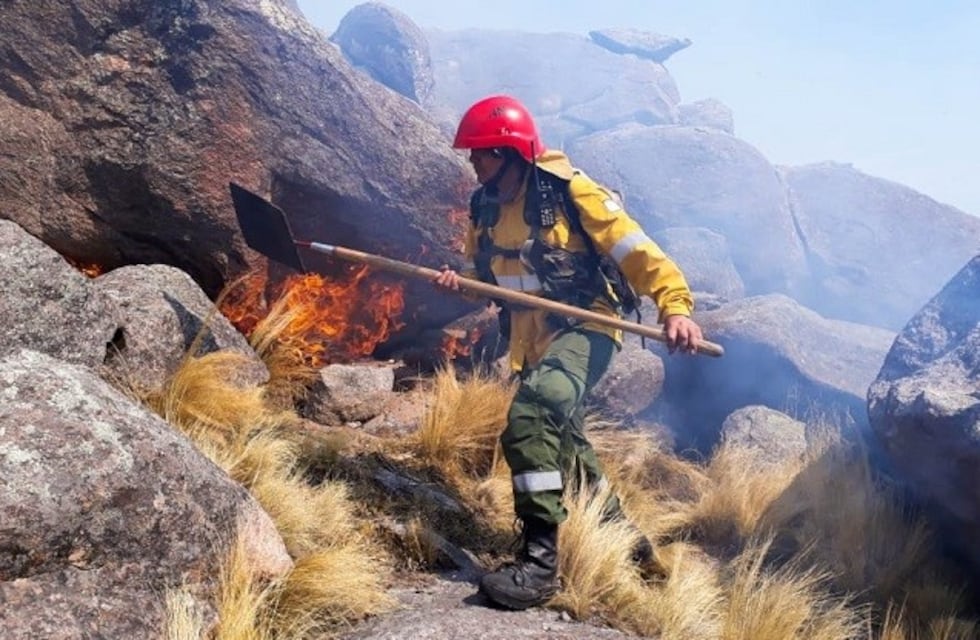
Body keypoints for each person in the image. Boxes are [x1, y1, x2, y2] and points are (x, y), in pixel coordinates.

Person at [434, 94, 703, 611]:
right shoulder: (484, 206)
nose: (473, 162)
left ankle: (539, 563)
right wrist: (459, 282)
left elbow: (640, 254)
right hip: (531, 341)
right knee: (568, 447)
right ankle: (629, 547)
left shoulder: (571, 193)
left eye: (483, 153)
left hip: (585, 329)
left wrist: (676, 308)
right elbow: (486, 278)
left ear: (512, 152)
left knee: (533, 413)